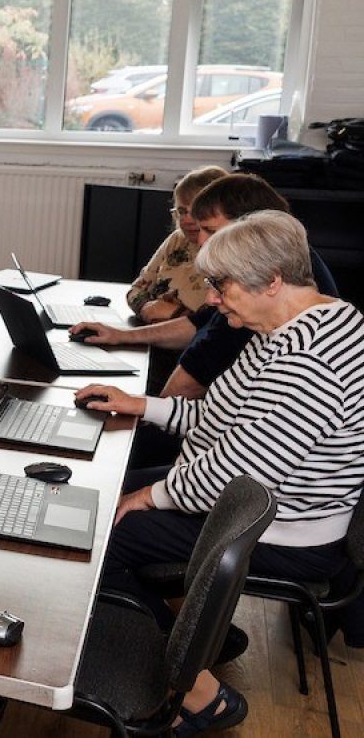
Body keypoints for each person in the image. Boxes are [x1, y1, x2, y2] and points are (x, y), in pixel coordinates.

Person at [80, 210, 364, 737]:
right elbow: (219, 418)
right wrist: (141, 405)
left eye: (221, 284)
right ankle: (198, 635)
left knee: (99, 537)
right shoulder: (302, 321)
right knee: (105, 495)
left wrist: (149, 497)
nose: (211, 298)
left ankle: (199, 689)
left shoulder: (308, 360)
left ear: (273, 280)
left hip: (285, 528)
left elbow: (235, 473)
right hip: (261, 500)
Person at [70, 174, 338, 401]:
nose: (200, 242)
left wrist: (145, 421)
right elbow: (199, 324)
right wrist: (120, 336)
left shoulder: (254, 283)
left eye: (210, 230)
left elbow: (197, 372)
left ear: (249, 226)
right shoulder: (289, 259)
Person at [125, 165, 227, 322]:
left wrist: (175, 314)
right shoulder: (177, 240)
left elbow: (217, 321)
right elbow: (136, 288)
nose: (186, 219)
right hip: (150, 327)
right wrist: (147, 308)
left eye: (194, 211)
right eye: (181, 211)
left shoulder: (230, 253)